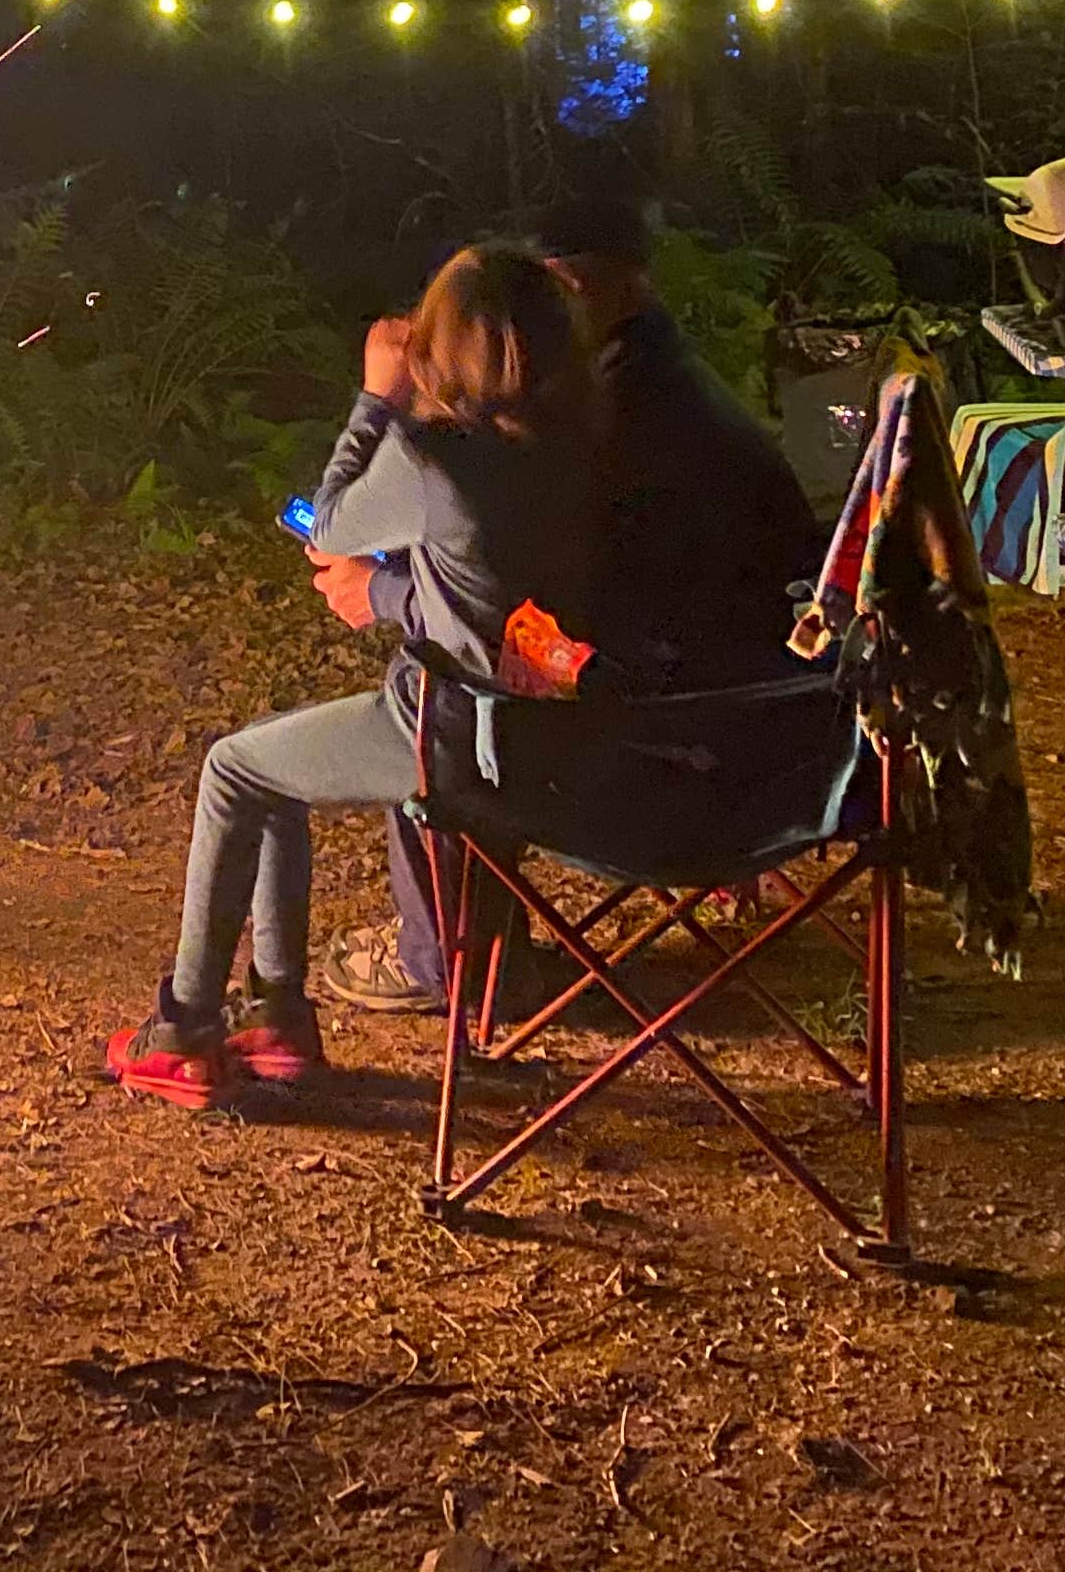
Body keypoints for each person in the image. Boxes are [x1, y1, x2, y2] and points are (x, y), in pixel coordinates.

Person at [106, 244, 594, 1109]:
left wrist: (378, 398)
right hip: (562, 738)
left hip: (456, 733)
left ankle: (184, 1027)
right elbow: (487, 592)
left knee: (233, 769)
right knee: (272, 766)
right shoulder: (583, 440)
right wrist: (399, 587)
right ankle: (278, 1018)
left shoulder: (440, 461)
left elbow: (331, 523)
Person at [324, 192, 825, 1014]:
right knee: (470, 690)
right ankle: (465, 949)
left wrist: (383, 589)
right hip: (776, 719)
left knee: (449, 701)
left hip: (691, 742)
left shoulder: (619, 418)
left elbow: (534, 616)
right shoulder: (641, 379)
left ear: (572, 288)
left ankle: (446, 962)